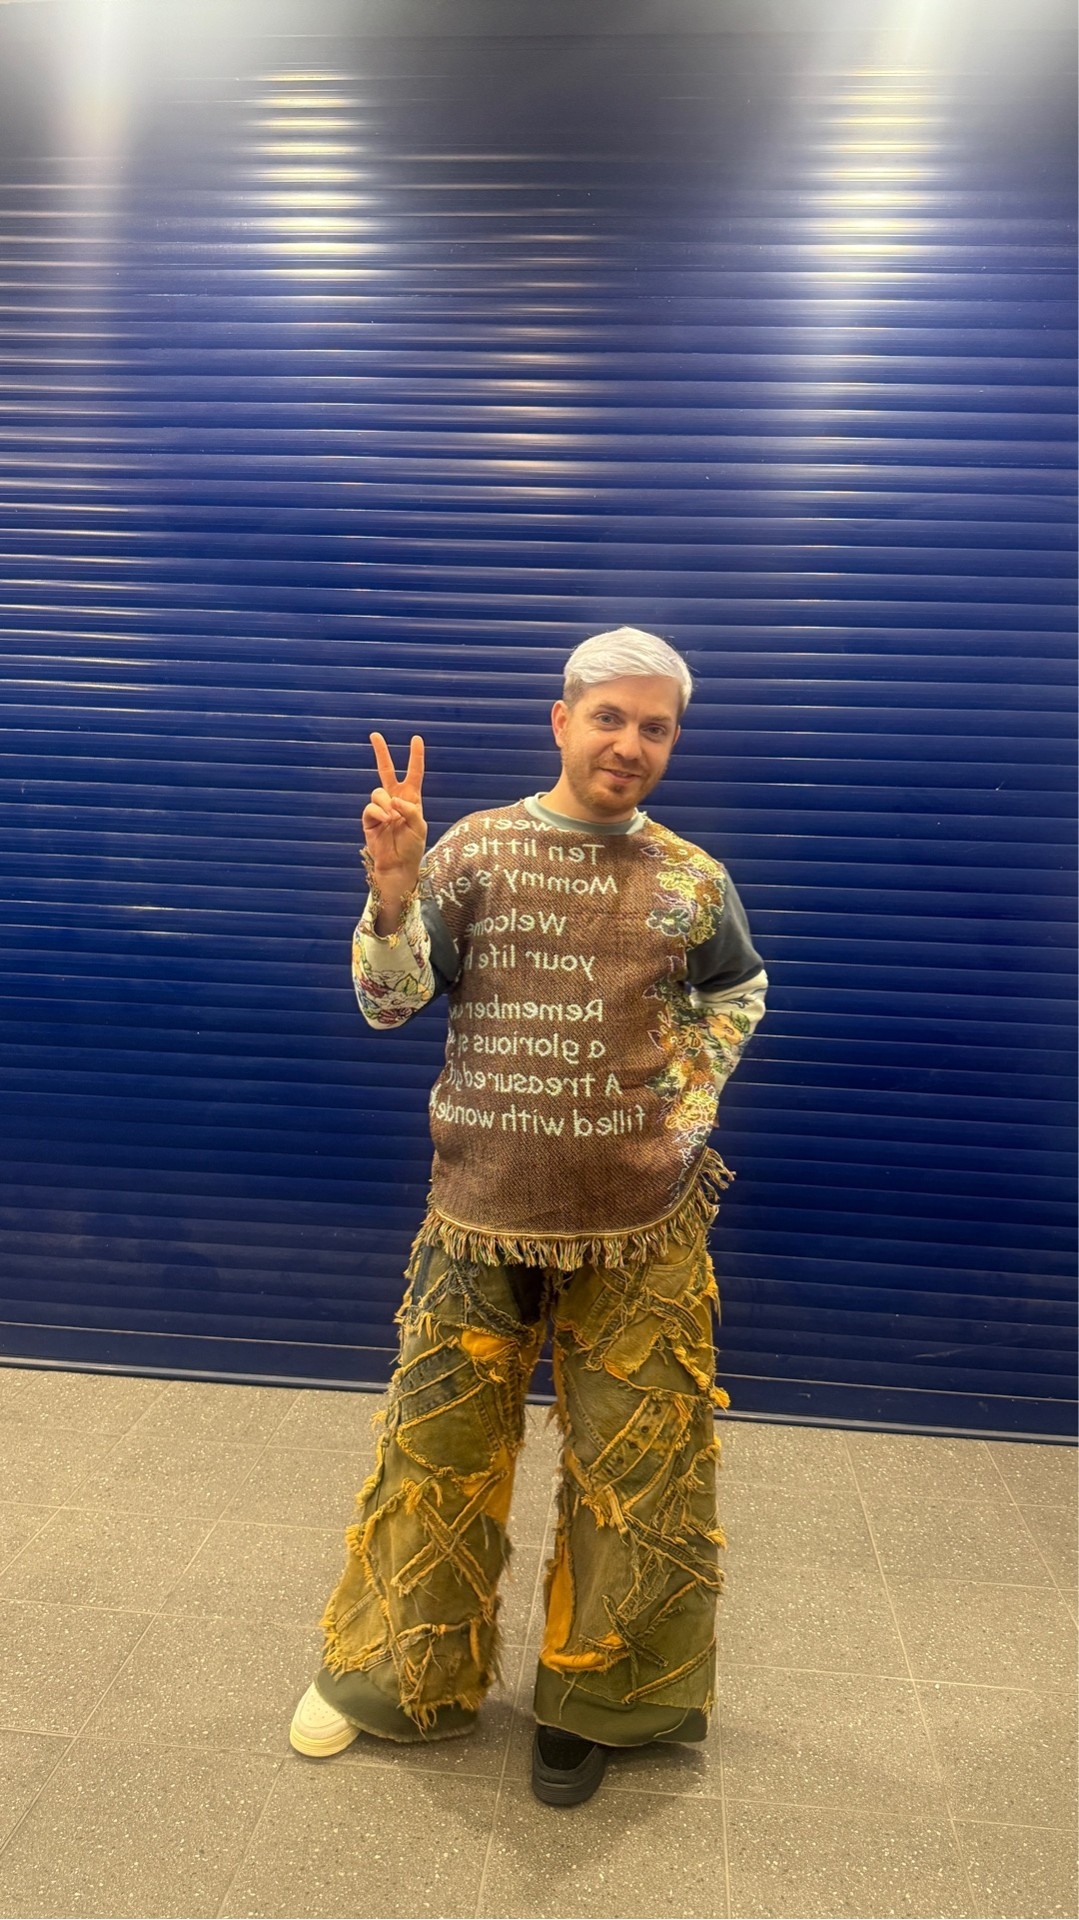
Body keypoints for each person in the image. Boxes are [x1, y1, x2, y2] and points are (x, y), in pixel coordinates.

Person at [289, 626, 767, 1806]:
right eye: (609, 717)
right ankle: (392, 1679)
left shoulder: (691, 877)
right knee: (436, 1453)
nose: (630, 744)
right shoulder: (473, 850)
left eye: (654, 727)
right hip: (478, 1210)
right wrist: (391, 897)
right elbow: (389, 1005)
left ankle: (601, 1700)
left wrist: (682, 1107)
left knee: (639, 1469)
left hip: (641, 1221)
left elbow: (736, 987)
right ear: (561, 720)